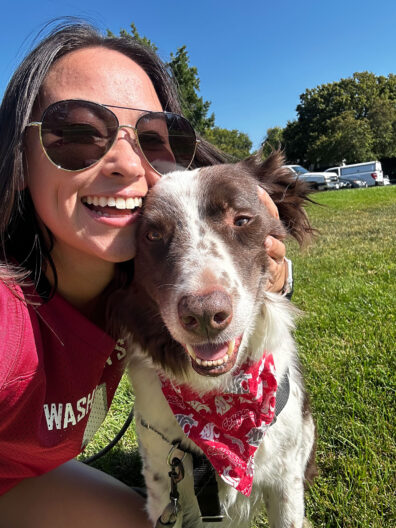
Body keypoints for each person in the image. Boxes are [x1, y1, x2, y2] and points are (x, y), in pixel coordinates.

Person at [0, 21, 290, 527]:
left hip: (26, 476)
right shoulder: (9, 330)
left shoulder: (136, 281)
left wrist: (273, 272)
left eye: (155, 139)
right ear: (19, 160)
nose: (126, 163)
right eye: (76, 134)